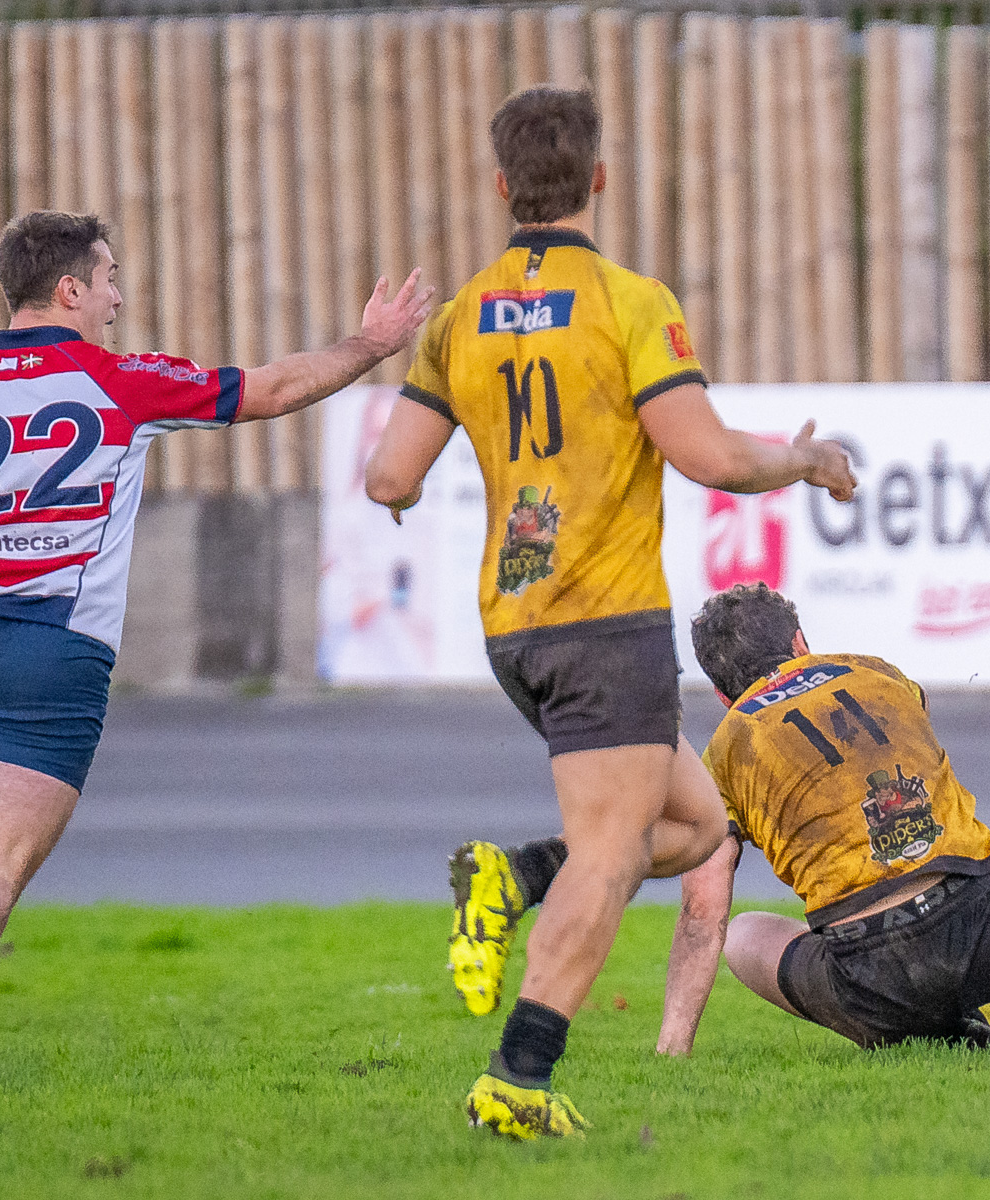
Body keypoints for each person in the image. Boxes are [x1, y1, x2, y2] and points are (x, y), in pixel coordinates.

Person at [0, 210, 432, 1060]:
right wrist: (369, 344)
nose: (117, 298)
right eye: (107, 280)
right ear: (68, 289)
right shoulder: (122, 382)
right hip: (52, 652)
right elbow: (275, 389)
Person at [360, 89, 856, 1140]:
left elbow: (388, 476)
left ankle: (512, 874)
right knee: (613, 845)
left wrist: (413, 490)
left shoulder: (460, 320)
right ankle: (518, 1077)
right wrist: (805, 460)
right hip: (607, 617)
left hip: (514, 621)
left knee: (695, 825)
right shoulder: (629, 302)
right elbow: (712, 455)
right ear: (597, 179)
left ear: (501, 187)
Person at [650, 584, 990, 1054]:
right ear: (800, 643)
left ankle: (946, 1033)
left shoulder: (726, 749)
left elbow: (702, 911)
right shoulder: (874, 671)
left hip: (868, 978)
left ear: (719, 693)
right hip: (981, 925)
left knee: (742, 933)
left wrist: (672, 1047)